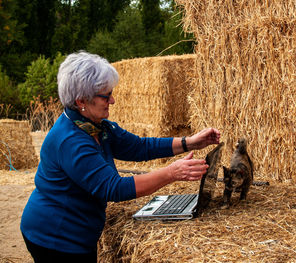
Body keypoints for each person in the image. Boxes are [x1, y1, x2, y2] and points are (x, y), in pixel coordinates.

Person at [20, 51, 221, 262]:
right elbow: (114, 188)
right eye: (105, 96)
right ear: (81, 101)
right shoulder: (70, 141)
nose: (113, 100)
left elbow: (139, 147)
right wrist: (172, 172)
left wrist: (189, 142)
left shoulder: (96, 126)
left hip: (78, 233)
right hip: (56, 237)